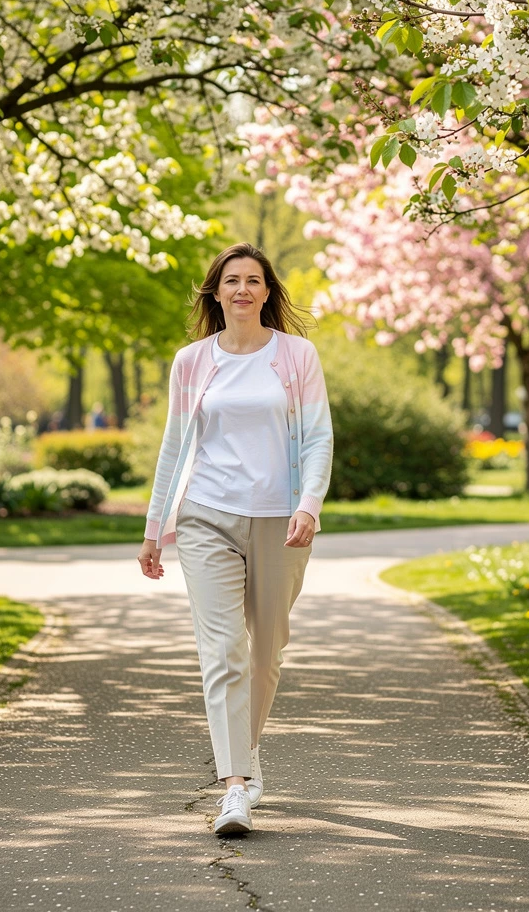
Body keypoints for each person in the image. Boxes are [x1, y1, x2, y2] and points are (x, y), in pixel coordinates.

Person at [137, 242, 333, 836]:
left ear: (267, 292)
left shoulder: (296, 355)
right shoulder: (192, 361)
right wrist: (153, 530)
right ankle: (235, 788)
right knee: (223, 650)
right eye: (231, 281)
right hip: (206, 517)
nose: (242, 289)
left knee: (265, 652)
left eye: (253, 280)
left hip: (281, 521)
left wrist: (309, 505)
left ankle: (243, 759)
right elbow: (174, 447)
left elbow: (318, 437)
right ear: (215, 292)